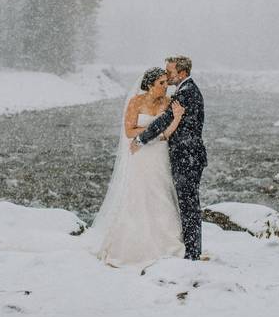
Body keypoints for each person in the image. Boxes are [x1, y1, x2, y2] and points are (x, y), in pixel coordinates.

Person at [86, 67, 187, 267]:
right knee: (138, 195)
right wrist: (153, 131)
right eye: (161, 83)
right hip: (141, 155)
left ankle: (166, 245)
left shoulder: (168, 103)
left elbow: (170, 131)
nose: (166, 87)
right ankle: (132, 246)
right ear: (150, 85)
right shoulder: (136, 102)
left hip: (159, 154)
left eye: (167, 83)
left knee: (161, 194)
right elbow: (129, 131)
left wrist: (174, 120)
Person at [131, 55, 207, 260]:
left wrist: (141, 139)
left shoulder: (186, 93)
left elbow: (164, 120)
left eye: (170, 72)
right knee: (187, 203)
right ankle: (192, 250)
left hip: (188, 156)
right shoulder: (185, 90)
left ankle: (192, 253)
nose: (167, 74)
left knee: (188, 204)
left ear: (182, 73)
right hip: (188, 155)